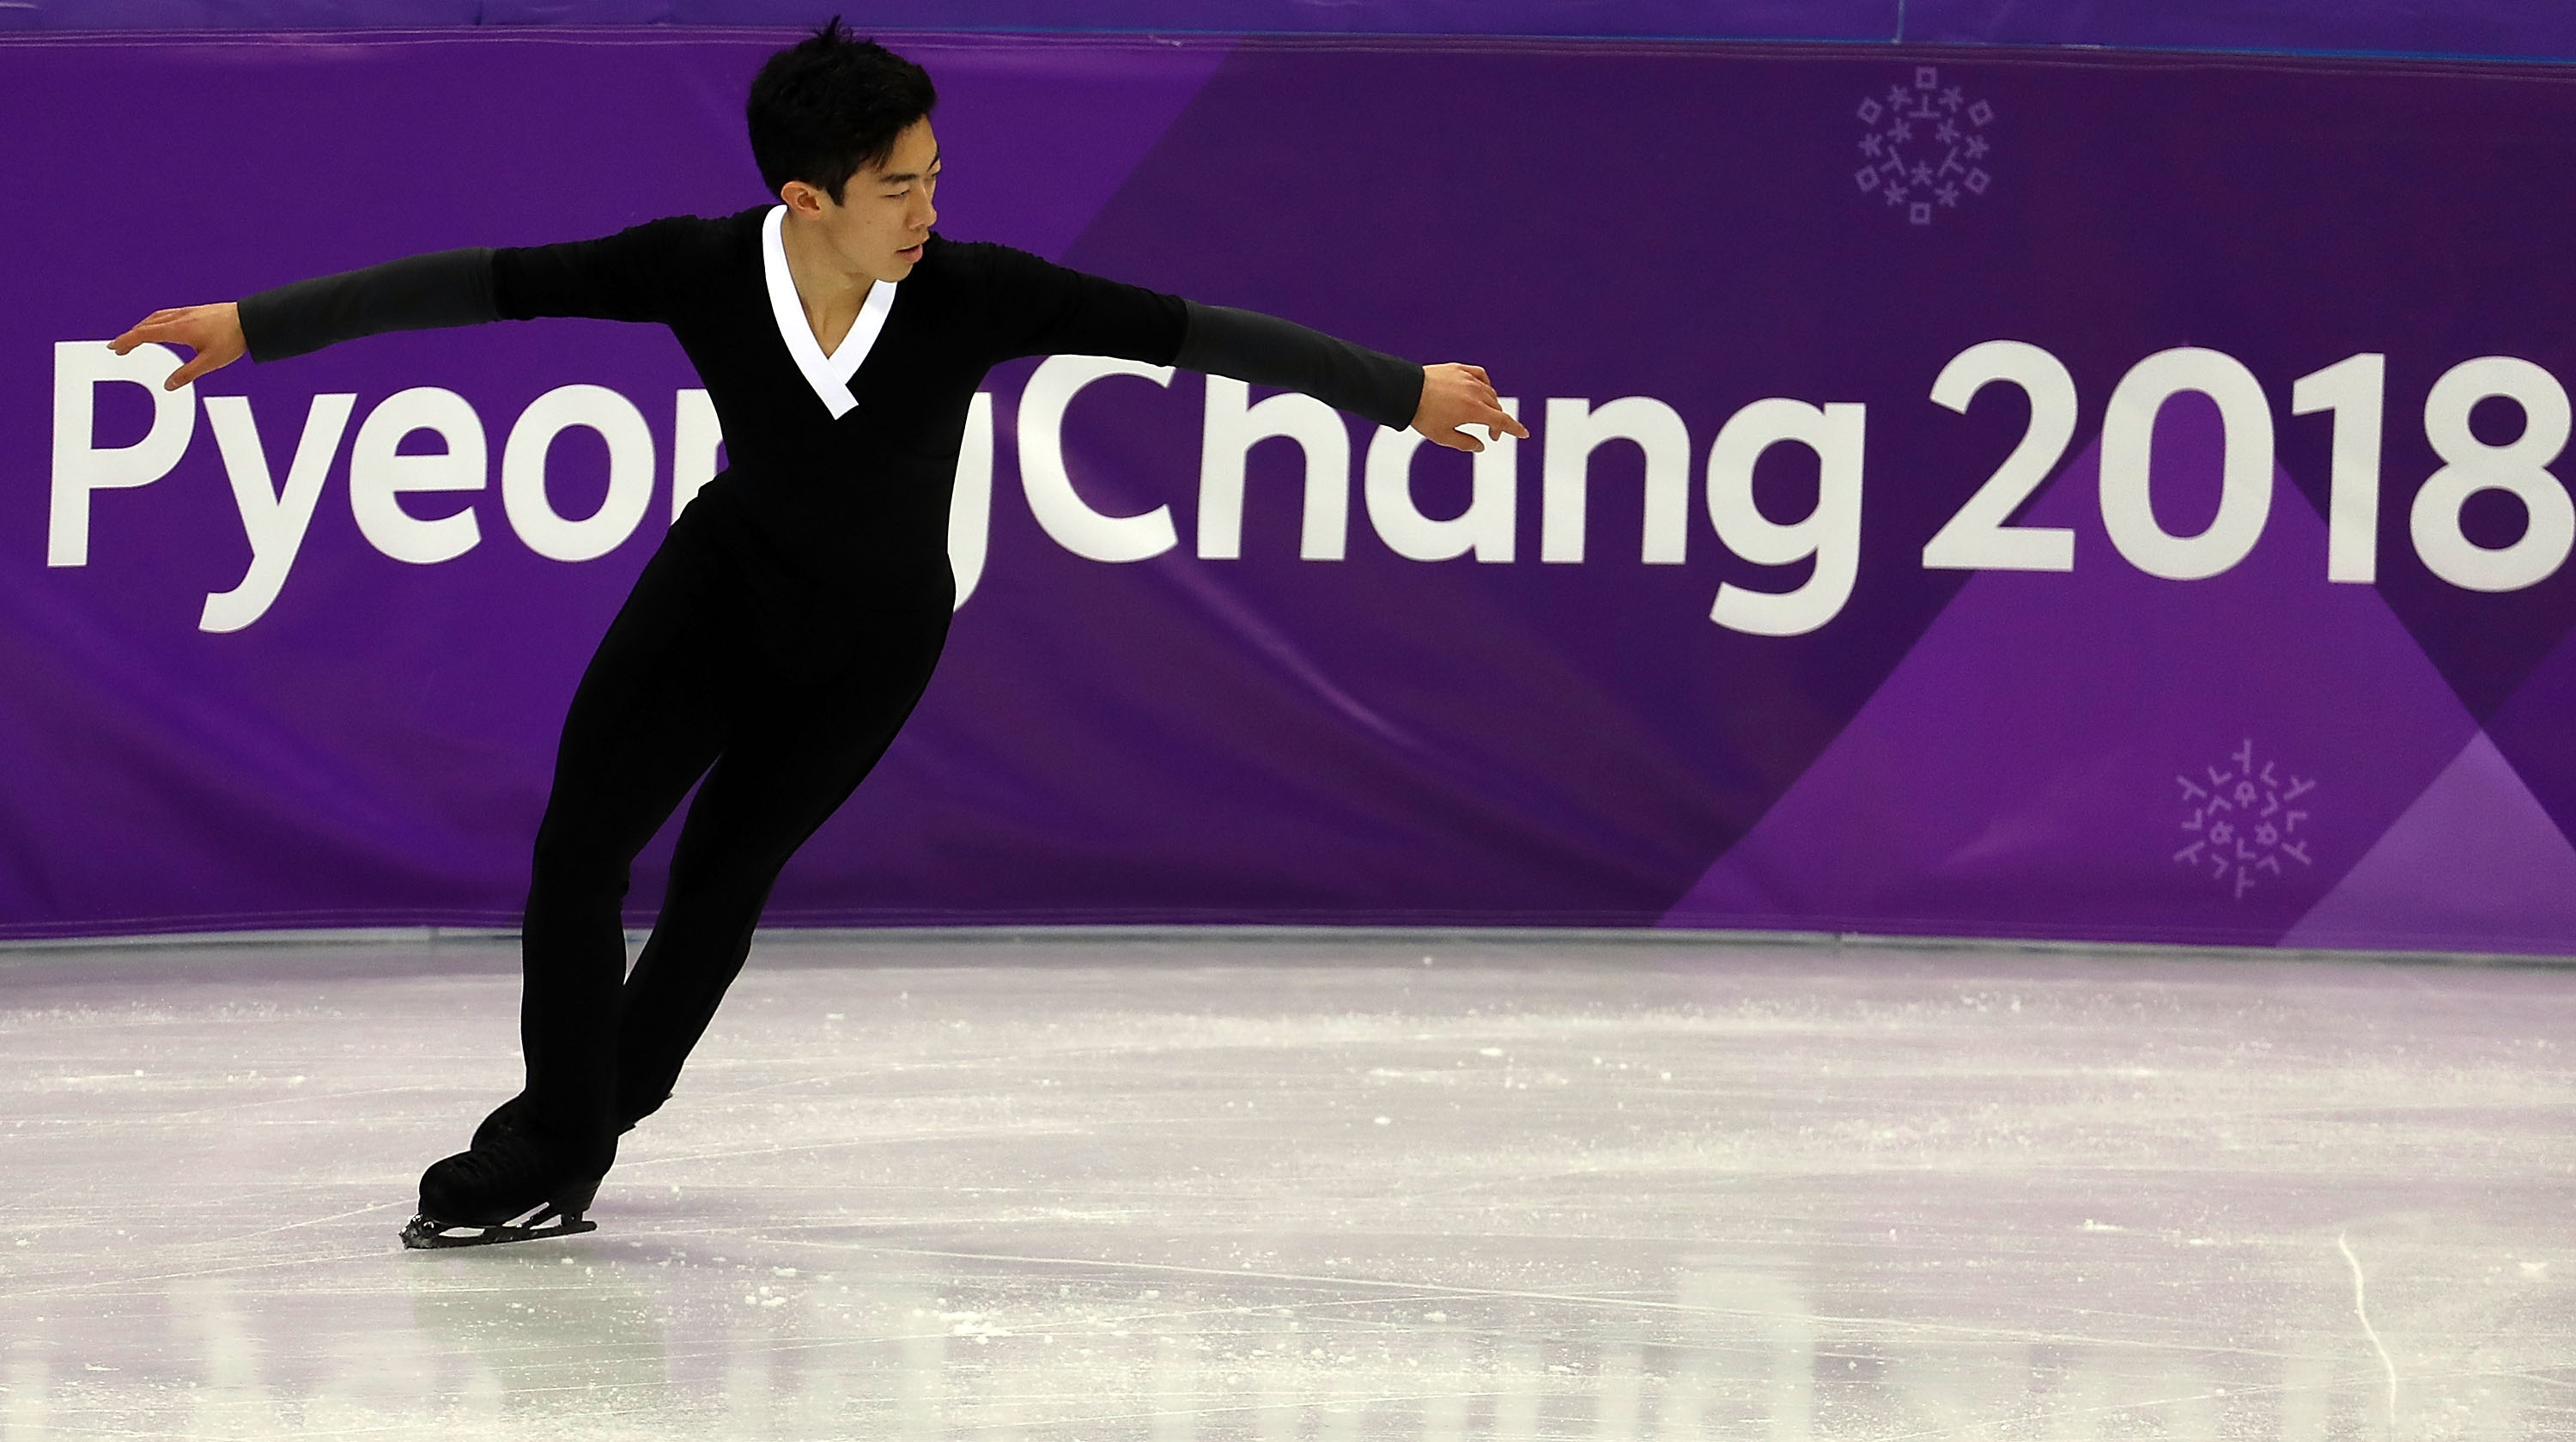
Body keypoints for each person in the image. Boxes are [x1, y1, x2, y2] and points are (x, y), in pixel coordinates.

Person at [112, 21, 1527, 1248]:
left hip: (873, 642)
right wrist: (258, 323)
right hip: (717, 592)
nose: (925, 208)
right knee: (578, 850)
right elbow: (490, 280)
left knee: (724, 874)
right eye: (896, 186)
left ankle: (604, 1106)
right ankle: (555, 1141)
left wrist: (1400, 390)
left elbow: (1190, 332)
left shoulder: (977, 292)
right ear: (807, 195)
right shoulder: (703, 268)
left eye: (933, 177)